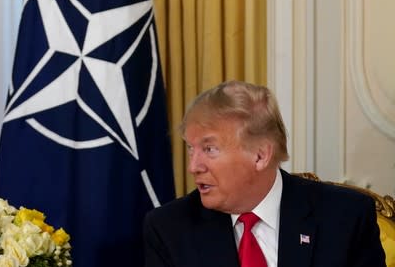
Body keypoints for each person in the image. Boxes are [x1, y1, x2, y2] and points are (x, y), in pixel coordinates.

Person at [143, 80, 385, 267]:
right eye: (191, 149)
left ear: (260, 155)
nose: (193, 166)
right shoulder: (170, 229)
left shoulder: (344, 217)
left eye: (209, 149)